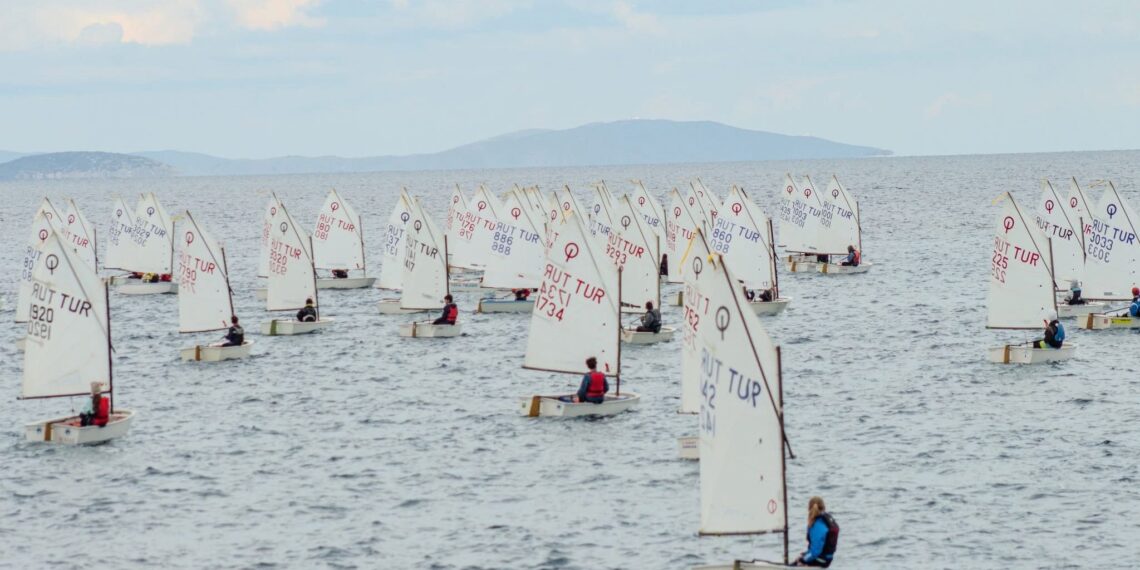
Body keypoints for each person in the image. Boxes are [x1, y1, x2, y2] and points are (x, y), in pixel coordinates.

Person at [793, 496, 839, 567]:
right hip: (827, 558)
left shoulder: (817, 524)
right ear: (824, 507)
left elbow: (815, 551)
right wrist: (804, 555)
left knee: (796, 562)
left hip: (820, 560)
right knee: (801, 556)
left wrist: (803, 560)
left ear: (809, 508)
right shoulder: (826, 520)